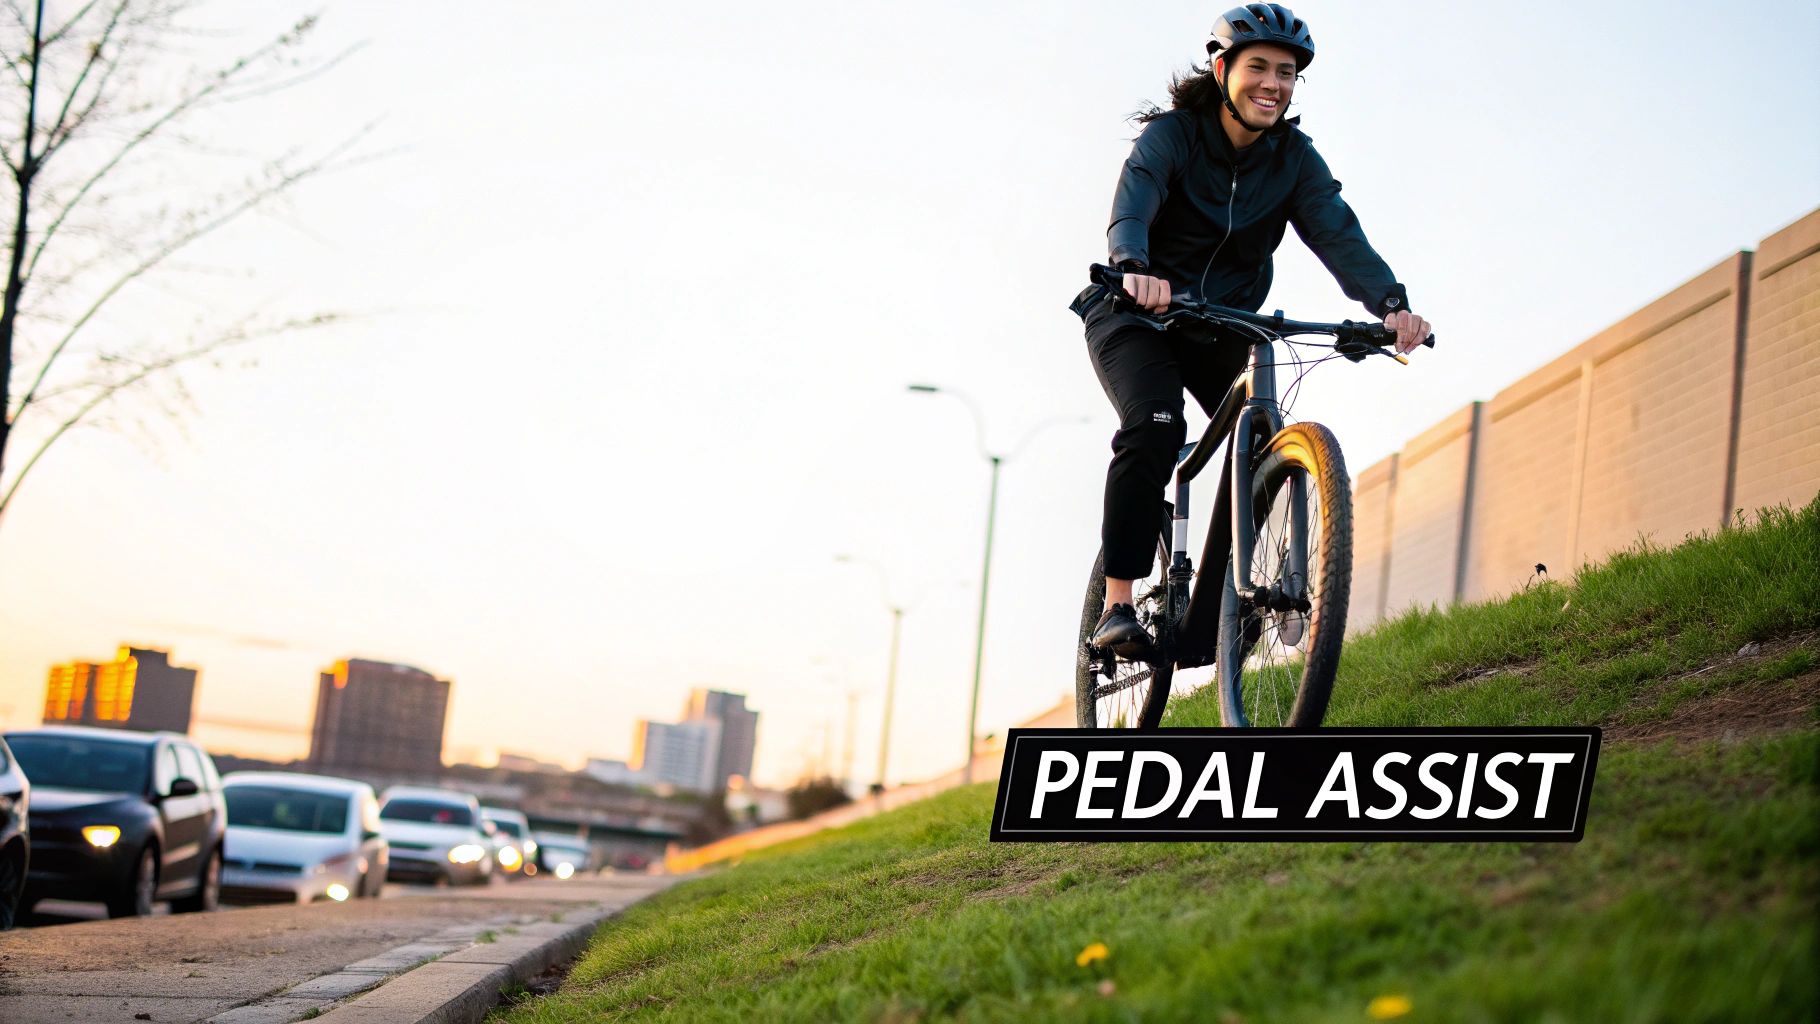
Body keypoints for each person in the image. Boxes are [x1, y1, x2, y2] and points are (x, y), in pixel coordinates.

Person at [1077, 3, 1432, 656]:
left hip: (1223, 327)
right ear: (1222, 69)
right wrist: (1133, 269)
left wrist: (1390, 304)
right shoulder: (1173, 137)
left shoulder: (1294, 161)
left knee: (1265, 445)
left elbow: (1336, 232)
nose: (1274, 83)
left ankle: (1223, 613)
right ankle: (1119, 606)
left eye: (1288, 72)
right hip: (1137, 315)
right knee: (1156, 423)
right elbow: (1134, 203)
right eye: (1259, 67)